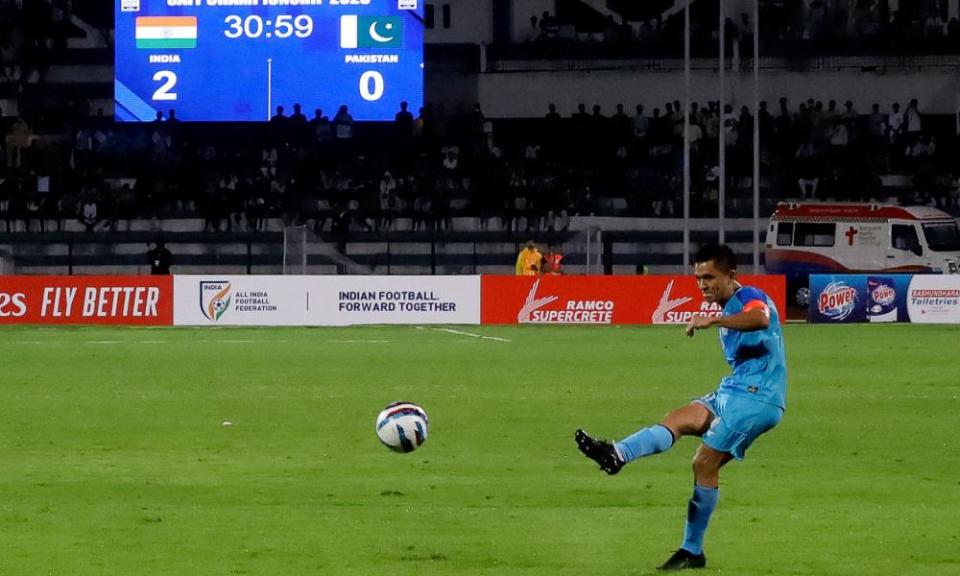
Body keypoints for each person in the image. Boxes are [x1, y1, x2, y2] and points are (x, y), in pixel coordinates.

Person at [575, 243, 786, 571]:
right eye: (698, 277)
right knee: (678, 419)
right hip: (734, 390)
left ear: (731, 275)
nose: (702, 284)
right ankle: (617, 454)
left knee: (704, 462)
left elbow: (761, 317)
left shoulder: (747, 297)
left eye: (709, 277)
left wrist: (714, 319)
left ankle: (692, 550)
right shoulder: (728, 302)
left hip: (758, 397)